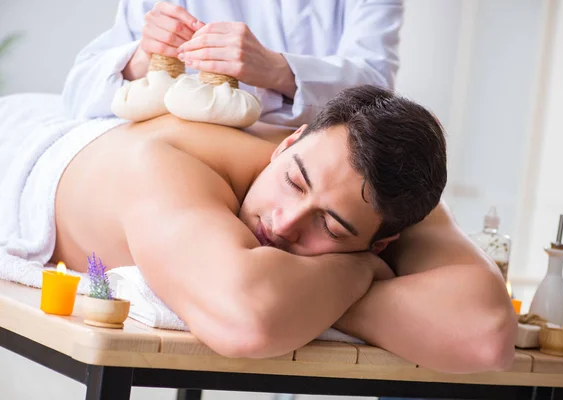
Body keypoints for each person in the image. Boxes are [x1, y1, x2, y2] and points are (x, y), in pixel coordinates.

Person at [45, 85, 516, 373]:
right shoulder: (167, 159)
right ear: (289, 141)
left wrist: (303, 291)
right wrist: (359, 272)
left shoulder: (383, 192)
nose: (285, 223)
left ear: (385, 240)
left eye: (330, 227)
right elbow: (247, 319)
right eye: (293, 181)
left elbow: (486, 336)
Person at [62, 0, 404, 126]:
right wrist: (143, 58)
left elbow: (376, 91)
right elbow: (78, 93)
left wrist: (277, 70)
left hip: (308, 152)